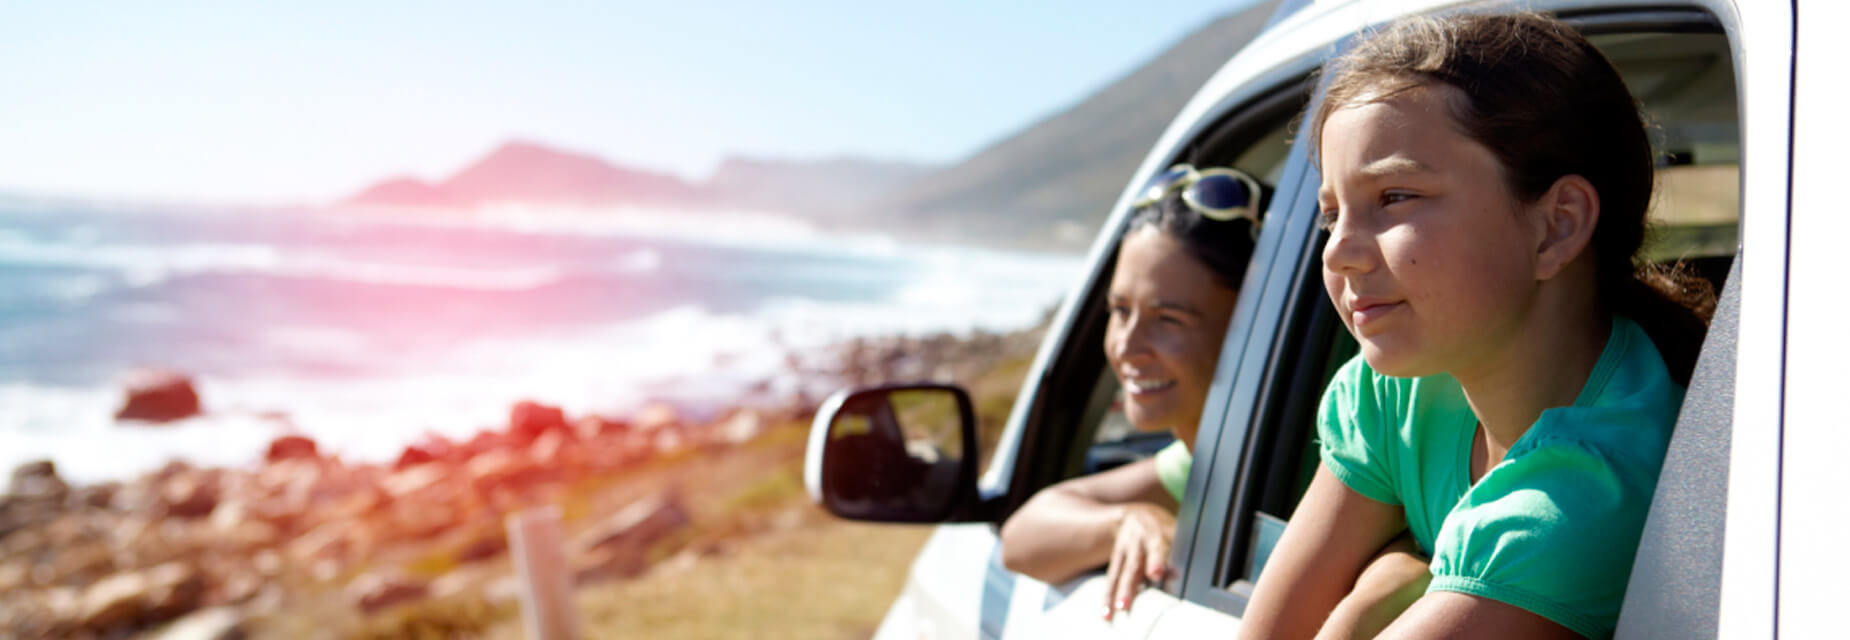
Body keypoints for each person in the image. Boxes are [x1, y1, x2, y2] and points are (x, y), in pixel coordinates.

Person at [1242, 11, 1714, 639]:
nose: (1335, 251)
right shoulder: (1391, 396)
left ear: (1557, 225)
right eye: (1331, 215)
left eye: (1394, 197)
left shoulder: (1587, 498)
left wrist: (1360, 612)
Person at [998, 164, 1264, 621]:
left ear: (1248, 325)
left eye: (1168, 319)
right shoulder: (1210, 457)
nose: (1126, 347)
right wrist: (1125, 520)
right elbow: (1021, 537)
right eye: (1121, 311)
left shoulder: (1295, 460)